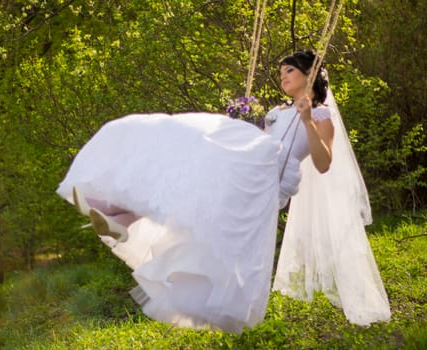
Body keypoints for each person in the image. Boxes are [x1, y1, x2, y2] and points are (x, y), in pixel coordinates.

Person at [56, 50, 390, 333]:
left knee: (207, 210)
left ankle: (138, 231)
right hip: (250, 170)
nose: (282, 77)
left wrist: (307, 121)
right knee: (191, 178)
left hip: (269, 183)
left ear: (309, 75)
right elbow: (263, 141)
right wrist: (241, 121)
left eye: (289, 70)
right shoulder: (277, 112)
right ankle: (121, 216)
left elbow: (323, 163)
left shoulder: (318, 115)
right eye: (281, 72)